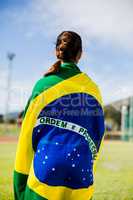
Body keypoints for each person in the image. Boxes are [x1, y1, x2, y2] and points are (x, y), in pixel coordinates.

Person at [13, 31, 105, 200]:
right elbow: (97, 138)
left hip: (44, 176)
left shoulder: (43, 85)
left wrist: (19, 184)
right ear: (80, 54)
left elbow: (26, 137)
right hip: (81, 177)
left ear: (57, 51)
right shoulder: (94, 90)